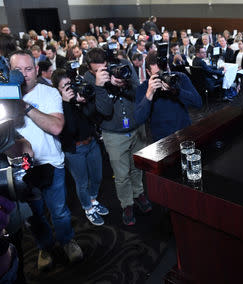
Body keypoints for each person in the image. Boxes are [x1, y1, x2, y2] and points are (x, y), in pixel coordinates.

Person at [10, 50, 83, 271]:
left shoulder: (49, 93)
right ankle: (44, 246)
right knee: (34, 215)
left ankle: (67, 240)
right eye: (17, 70)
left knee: (59, 210)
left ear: (36, 70)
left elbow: (56, 127)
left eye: (28, 69)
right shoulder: (3, 96)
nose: (23, 75)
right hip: (21, 168)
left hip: (51, 163)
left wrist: (26, 107)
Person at [84, 48, 152, 226]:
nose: (104, 71)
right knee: (121, 175)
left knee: (137, 167)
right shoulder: (89, 79)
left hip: (137, 127)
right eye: (98, 70)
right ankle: (127, 204)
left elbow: (139, 93)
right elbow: (104, 110)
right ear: (91, 70)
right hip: (114, 134)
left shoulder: (124, 66)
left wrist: (125, 84)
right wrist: (101, 87)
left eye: (105, 67)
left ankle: (139, 194)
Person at [52, 69, 108, 226]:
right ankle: (88, 207)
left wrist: (84, 101)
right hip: (75, 150)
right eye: (65, 87)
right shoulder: (58, 106)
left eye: (70, 84)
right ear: (57, 90)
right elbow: (71, 129)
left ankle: (93, 199)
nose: (70, 89)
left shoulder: (79, 96)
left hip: (91, 143)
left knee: (97, 176)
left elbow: (93, 116)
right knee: (82, 182)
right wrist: (67, 103)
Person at [135, 51, 202, 142]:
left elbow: (198, 103)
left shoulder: (180, 77)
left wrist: (177, 90)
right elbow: (139, 119)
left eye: (165, 70)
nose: (163, 76)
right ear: (148, 72)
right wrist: (149, 94)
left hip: (185, 132)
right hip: (162, 140)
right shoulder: (143, 88)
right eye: (158, 74)